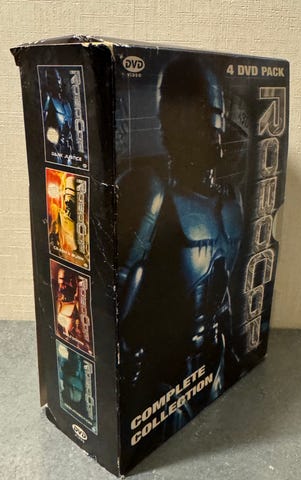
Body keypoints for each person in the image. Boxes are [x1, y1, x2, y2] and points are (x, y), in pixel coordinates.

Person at [117, 56, 243, 441]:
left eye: (215, 117)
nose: (212, 131)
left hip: (216, 373)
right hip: (159, 389)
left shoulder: (229, 201)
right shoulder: (149, 190)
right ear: (172, 121)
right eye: (200, 117)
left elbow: (222, 298)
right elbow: (112, 304)